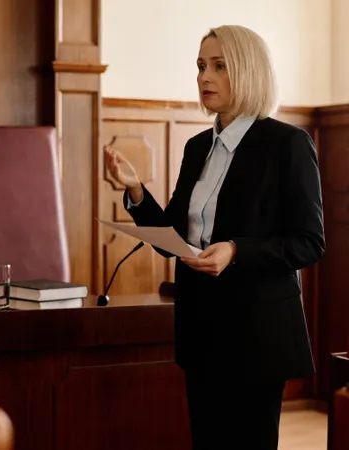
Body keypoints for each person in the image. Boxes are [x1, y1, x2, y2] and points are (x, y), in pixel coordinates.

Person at [105, 25, 325, 450]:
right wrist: (135, 190)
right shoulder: (196, 148)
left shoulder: (288, 144)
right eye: (201, 65)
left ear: (249, 71)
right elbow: (171, 236)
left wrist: (236, 251)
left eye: (219, 66)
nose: (204, 76)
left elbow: (309, 241)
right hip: (201, 331)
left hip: (256, 336)